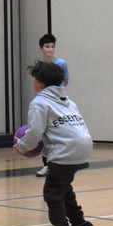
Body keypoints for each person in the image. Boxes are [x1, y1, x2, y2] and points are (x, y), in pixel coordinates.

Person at [14, 60, 93, 226]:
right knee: (63, 187)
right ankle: (79, 222)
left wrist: (22, 146)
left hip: (65, 150)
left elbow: (35, 132)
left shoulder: (39, 102)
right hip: (83, 146)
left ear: (39, 83)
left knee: (52, 194)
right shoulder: (69, 101)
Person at [35, 33, 69, 178]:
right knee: (45, 133)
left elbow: (65, 81)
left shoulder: (61, 63)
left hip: (58, 100)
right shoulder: (39, 65)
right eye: (47, 46)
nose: (50, 49)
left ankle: (59, 162)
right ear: (41, 48)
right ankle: (46, 164)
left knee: (57, 130)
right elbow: (36, 83)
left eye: (52, 46)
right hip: (44, 101)